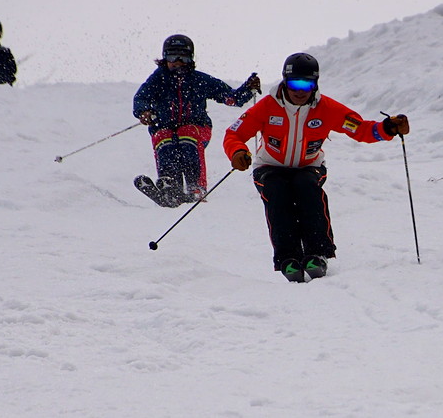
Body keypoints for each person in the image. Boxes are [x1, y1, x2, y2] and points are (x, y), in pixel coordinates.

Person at [223, 53, 410, 282]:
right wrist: (237, 152)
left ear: (315, 84)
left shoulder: (327, 109)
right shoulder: (266, 107)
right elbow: (235, 133)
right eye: (294, 83)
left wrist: (389, 128)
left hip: (308, 165)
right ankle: (287, 258)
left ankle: (318, 253)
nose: (300, 91)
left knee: (306, 187)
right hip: (270, 165)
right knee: (277, 191)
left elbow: (361, 129)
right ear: (284, 81)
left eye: (307, 84)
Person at [133, 34, 260, 205]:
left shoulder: (198, 80)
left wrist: (247, 89)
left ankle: (196, 187)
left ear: (191, 58)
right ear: (164, 58)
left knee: (186, 136)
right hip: (165, 128)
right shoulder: (158, 80)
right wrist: (144, 111)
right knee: (164, 137)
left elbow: (231, 98)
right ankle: (170, 184)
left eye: (183, 58)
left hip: (198, 129)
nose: (177, 62)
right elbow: (141, 98)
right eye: (172, 57)